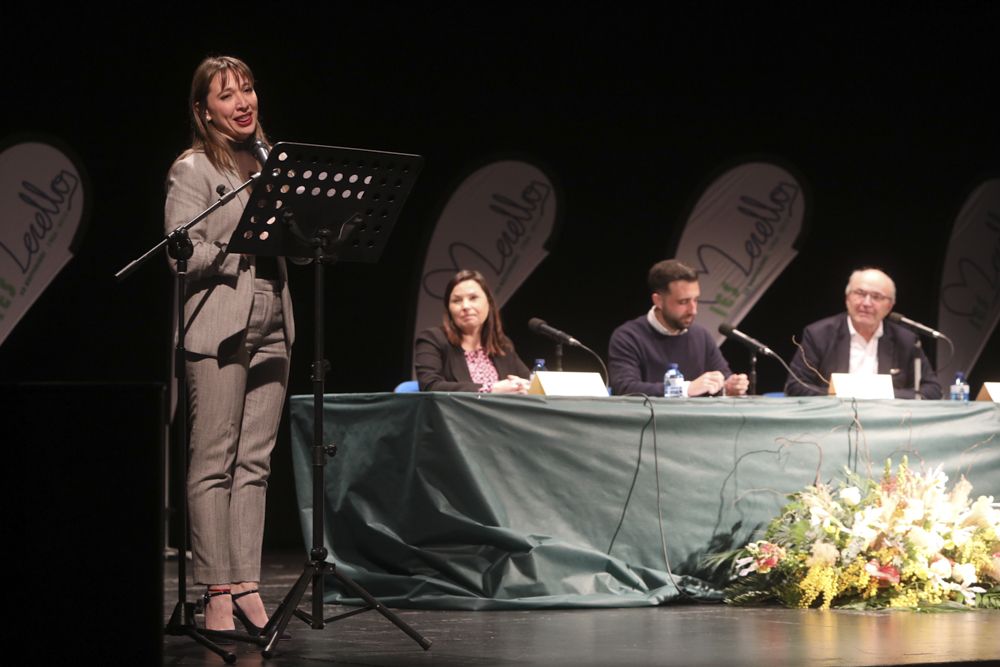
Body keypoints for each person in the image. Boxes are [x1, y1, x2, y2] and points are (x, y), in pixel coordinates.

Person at [165, 55, 295, 633]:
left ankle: (247, 584)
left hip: (275, 311)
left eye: (247, 89)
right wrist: (232, 239)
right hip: (220, 316)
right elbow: (181, 255)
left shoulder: (272, 162)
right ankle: (213, 586)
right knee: (213, 459)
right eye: (226, 95)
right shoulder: (192, 169)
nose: (243, 102)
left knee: (256, 463)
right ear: (202, 110)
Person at [784, 268, 941, 399]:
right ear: (847, 298)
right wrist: (842, 396)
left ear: (890, 306)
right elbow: (795, 386)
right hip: (832, 422)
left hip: (889, 425)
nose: (866, 303)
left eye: (876, 297)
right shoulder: (818, 334)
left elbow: (932, 389)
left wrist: (885, 395)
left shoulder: (906, 340)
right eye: (860, 293)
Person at [608, 259, 749, 397]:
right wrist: (685, 389)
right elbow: (624, 388)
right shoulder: (628, 337)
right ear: (658, 301)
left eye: (695, 300)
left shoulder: (701, 336)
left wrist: (729, 387)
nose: (693, 310)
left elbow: (723, 378)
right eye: (683, 302)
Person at [415, 270, 531, 393]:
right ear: (449, 309)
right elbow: (429, 386)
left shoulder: (502, 345)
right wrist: (491, 389)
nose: (465, 306)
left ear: (489, 303)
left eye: (473, 298)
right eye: (457, 300)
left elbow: (527, 380)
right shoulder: (432, 339)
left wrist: (523, 385)